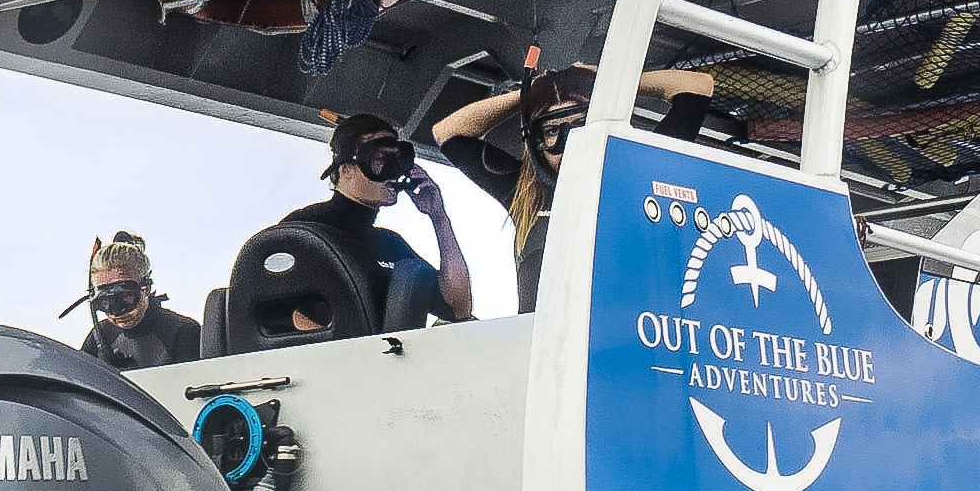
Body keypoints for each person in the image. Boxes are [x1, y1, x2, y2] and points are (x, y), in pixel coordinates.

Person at [432, 61, 720, 309]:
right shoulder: (526, 195)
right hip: (545, 356)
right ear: (536, 143)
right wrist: (527, 95)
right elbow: (448, 132)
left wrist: (603, 77)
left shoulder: (641, 175)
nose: (569, 143)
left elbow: (696, 86)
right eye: (553, 131)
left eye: (580, 125)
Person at [265, 113, 474, 338]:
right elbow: (268, 306)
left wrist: (439, 217)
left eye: (398, 160)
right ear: (345, 169)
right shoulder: (306, 229)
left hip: (385, 363)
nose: (393, 170)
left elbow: (458, 308)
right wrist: (349, 352)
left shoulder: (390, 244)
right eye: (379, 158)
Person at [64, 230, 202, 371]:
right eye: (105, 301)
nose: (116, 311)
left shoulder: (183, 332)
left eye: (125, 296)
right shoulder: (98, 338)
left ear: (146, 288)